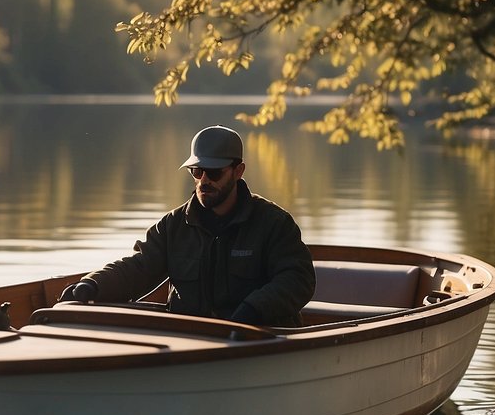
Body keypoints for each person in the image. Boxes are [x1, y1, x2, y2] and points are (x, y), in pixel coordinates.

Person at [59, 125, 315, 327]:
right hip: (190, 341)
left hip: (258, 342)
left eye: (214, 173)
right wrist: (93, 285)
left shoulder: (274, 224)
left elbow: (298, 279)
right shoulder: (173, 225)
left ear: (238, 172)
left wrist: (252, 311)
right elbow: (138, 268)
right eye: (197, 171)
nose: (204, 180)